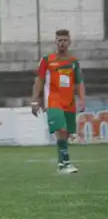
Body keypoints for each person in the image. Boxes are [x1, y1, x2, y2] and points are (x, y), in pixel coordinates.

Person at [31, 29, 84, 174]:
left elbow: (79, 82)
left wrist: (82, 100)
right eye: (59, 40)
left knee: (65, 135)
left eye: (65, 40)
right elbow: (39, 80)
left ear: (69, 42)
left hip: (69, 102)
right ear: (56, 42)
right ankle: (66, 163)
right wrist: (35, 100)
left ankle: (61, 164)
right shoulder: (47, 60)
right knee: (61, 129)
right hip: (53, 101)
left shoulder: (73, 62)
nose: (62, 43)